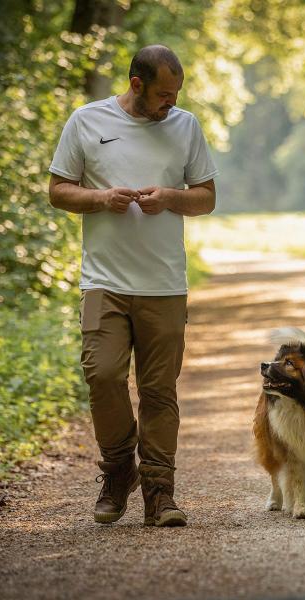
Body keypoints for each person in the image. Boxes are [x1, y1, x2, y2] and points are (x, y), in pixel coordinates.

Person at [48, 45, 217, 527]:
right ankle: (120, 469)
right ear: (136, 84)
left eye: (176, 94)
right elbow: (58, 190)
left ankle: (160, 494)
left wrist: (171, 198)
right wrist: (101, 198)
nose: (171, 103)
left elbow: (206, 198)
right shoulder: (86, 121)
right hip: (103, 280)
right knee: (102, 375)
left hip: (164, 283)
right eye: (164, 94)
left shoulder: (186, 126)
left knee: (159, 390)